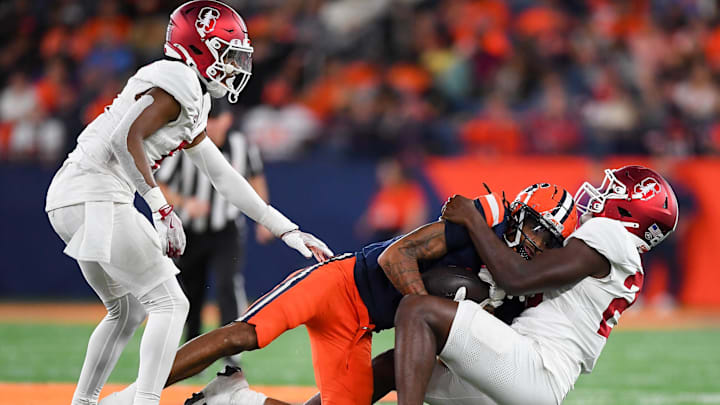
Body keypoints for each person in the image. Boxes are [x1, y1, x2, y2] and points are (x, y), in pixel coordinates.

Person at [45, 2, 331, 405]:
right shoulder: (177, 77)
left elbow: (223, 176)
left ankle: (84, 402)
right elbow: (123, 139)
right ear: (199, 47)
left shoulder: (191, 92)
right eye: (228, 53)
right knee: (170, 302)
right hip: (93, 192)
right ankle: (144, 401)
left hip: (76, 194)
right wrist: (162, 209)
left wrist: (286, 228)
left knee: (126, 311)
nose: (235, 65)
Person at [101, 183, 578, 405]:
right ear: (517, 216)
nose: (537, 242)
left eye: (548, 239)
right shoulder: (470, 231)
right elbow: (395, 259)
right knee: (241, 336)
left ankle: (231, 400)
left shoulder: (520, 286)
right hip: (341, 282)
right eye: (535, 227)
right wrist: (424, 307)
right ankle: (131, 398)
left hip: (362, 327)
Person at [391, 165, 678, 405]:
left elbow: (516, 279)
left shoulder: (610, 234)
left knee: (418, 310)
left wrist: (472, 219)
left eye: (613, 191)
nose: (601, 194)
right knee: (395, 366)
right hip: (529, 374)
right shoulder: (621, 258)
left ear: (631, 209)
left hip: (535, 366)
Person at [156, 101, 273, 347]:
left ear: (227, 120)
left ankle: (231, 347)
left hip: (226, 230)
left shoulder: (242, 147)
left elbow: (256, 180)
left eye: (216, 120)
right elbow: (161, 186)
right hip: (191, 232)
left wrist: (264, 219)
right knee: (190, 290)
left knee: (227, 284)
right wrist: (185, 203)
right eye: (207, 120)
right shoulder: (185, 144)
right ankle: (191, 346)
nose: (211, 126)